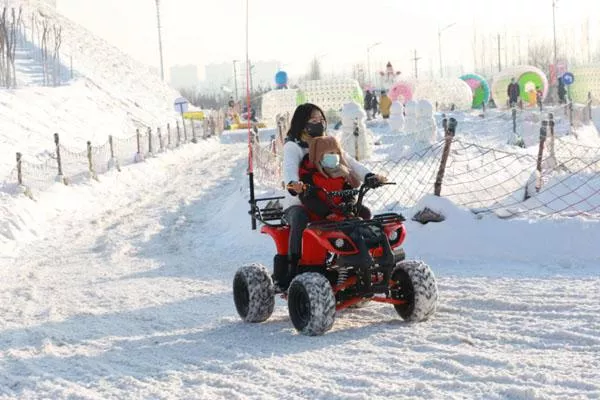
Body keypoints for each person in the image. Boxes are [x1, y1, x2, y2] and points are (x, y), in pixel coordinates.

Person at [278, 103, 386, 290]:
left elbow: (350, 163)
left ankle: (352, 262)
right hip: (300, 202)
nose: (319, 123)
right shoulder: (293, 146)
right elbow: (289, 169)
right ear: (303, 123)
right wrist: (294, 185)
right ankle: (292, 266)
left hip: (329, 200)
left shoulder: (327, 143)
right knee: (300, 219)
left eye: (321, 119)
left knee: (363, 213)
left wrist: (369, 176)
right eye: (313, 120)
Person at [298, 136, 371, 221]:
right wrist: (327, 213)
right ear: (319, 156)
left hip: (341, 212)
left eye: (337, 153)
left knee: (365, 213)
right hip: (320, 215)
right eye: (331, 153)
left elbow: (348, 192)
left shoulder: (341, 172)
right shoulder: (309, 175)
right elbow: (308, 198)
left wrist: (349, 205)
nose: (335, 156)